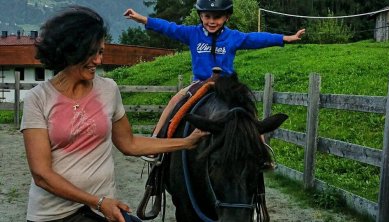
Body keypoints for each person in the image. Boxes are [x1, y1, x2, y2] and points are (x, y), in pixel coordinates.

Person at [21, 6, 207, 222]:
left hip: (102, 211)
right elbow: (41, 175)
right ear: (69, 51)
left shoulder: (108, 89)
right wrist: (97, 201)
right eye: (90, 53)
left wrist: (186, 142)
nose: (98, 61)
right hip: (54, 216)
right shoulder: (38, 98)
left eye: (100, 52)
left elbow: (129, 144)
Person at [124, 0, 305, 162]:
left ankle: (261, 148)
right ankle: (157, 140)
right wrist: (141, 18)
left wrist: (284, 38)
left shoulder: (233, 36)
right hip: (200, 82)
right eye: (207, 16)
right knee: (174, 101)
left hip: (227, 85)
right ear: (201, 16)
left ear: (226, 17)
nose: (211, 21)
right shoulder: (192, 34)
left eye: (217, 17)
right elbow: (168, 27)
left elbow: (256, 38)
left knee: (249, 112)